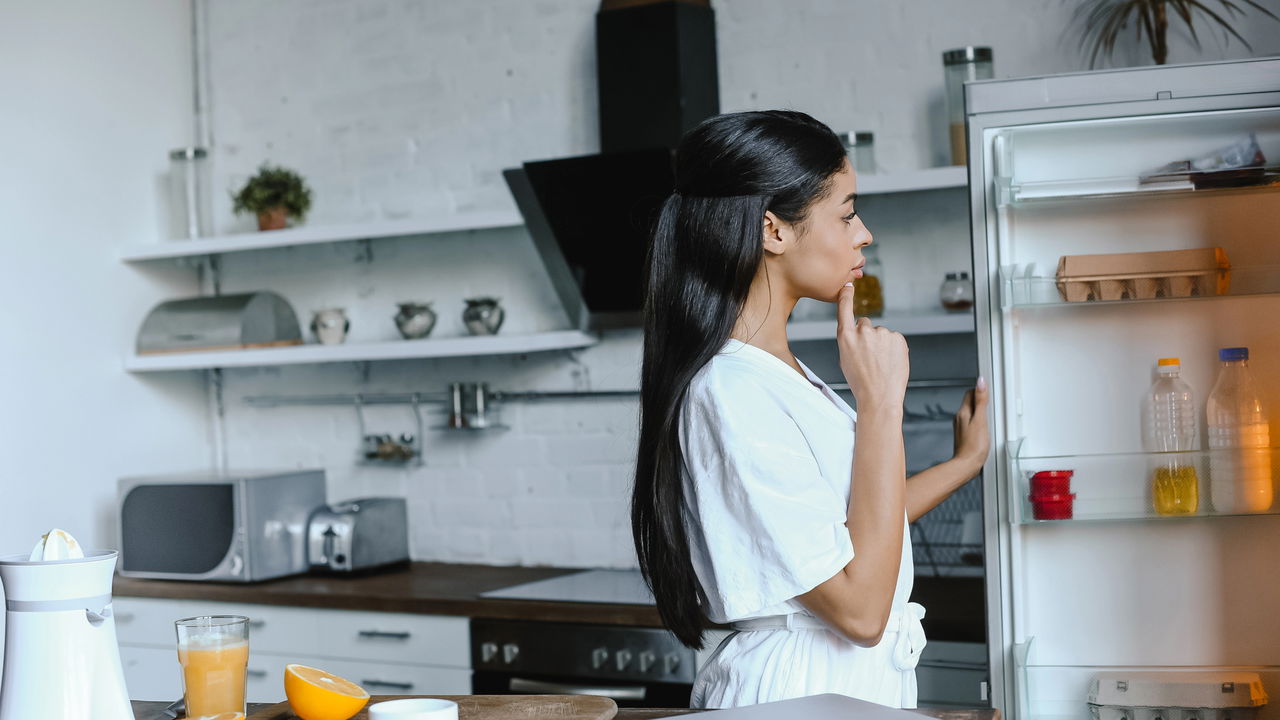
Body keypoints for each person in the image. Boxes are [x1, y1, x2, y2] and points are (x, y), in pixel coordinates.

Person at [631, 110, 990, 709]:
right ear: (773, 230)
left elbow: (853, 527)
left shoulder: (780, 375)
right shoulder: (731, 391)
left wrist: (965, 462)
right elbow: (859, 611)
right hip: (799, 691)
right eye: (846, 213)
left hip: (833, 688)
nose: (864, 233)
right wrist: (878, 406)